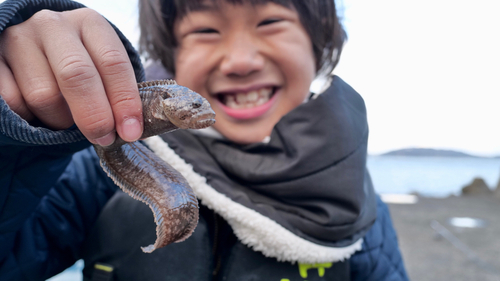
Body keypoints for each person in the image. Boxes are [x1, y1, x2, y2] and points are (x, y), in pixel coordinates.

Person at [0, 0, 408, 280]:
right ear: (171, 53)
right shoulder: (87, 179)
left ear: (318, 41)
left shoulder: (354, 206)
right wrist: (16, 137)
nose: (240, 62)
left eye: (270, 22)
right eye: (206, 30)